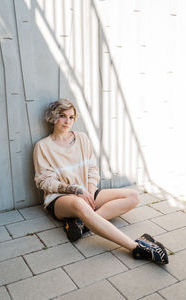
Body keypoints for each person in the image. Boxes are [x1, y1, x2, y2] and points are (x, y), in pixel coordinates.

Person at [33, 99, 168, 264]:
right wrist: (76, 190)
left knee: (133, 196)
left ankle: (81, 223)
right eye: (62, 116)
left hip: (86, 192)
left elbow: (92, 169)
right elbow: (44, 182)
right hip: (60, 198)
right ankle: (135, 247)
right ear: (53, 117)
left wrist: (89, 192)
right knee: (79, 205)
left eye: (71, 117)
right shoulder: (43, 146)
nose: (68, 121)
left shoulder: (81, 138)